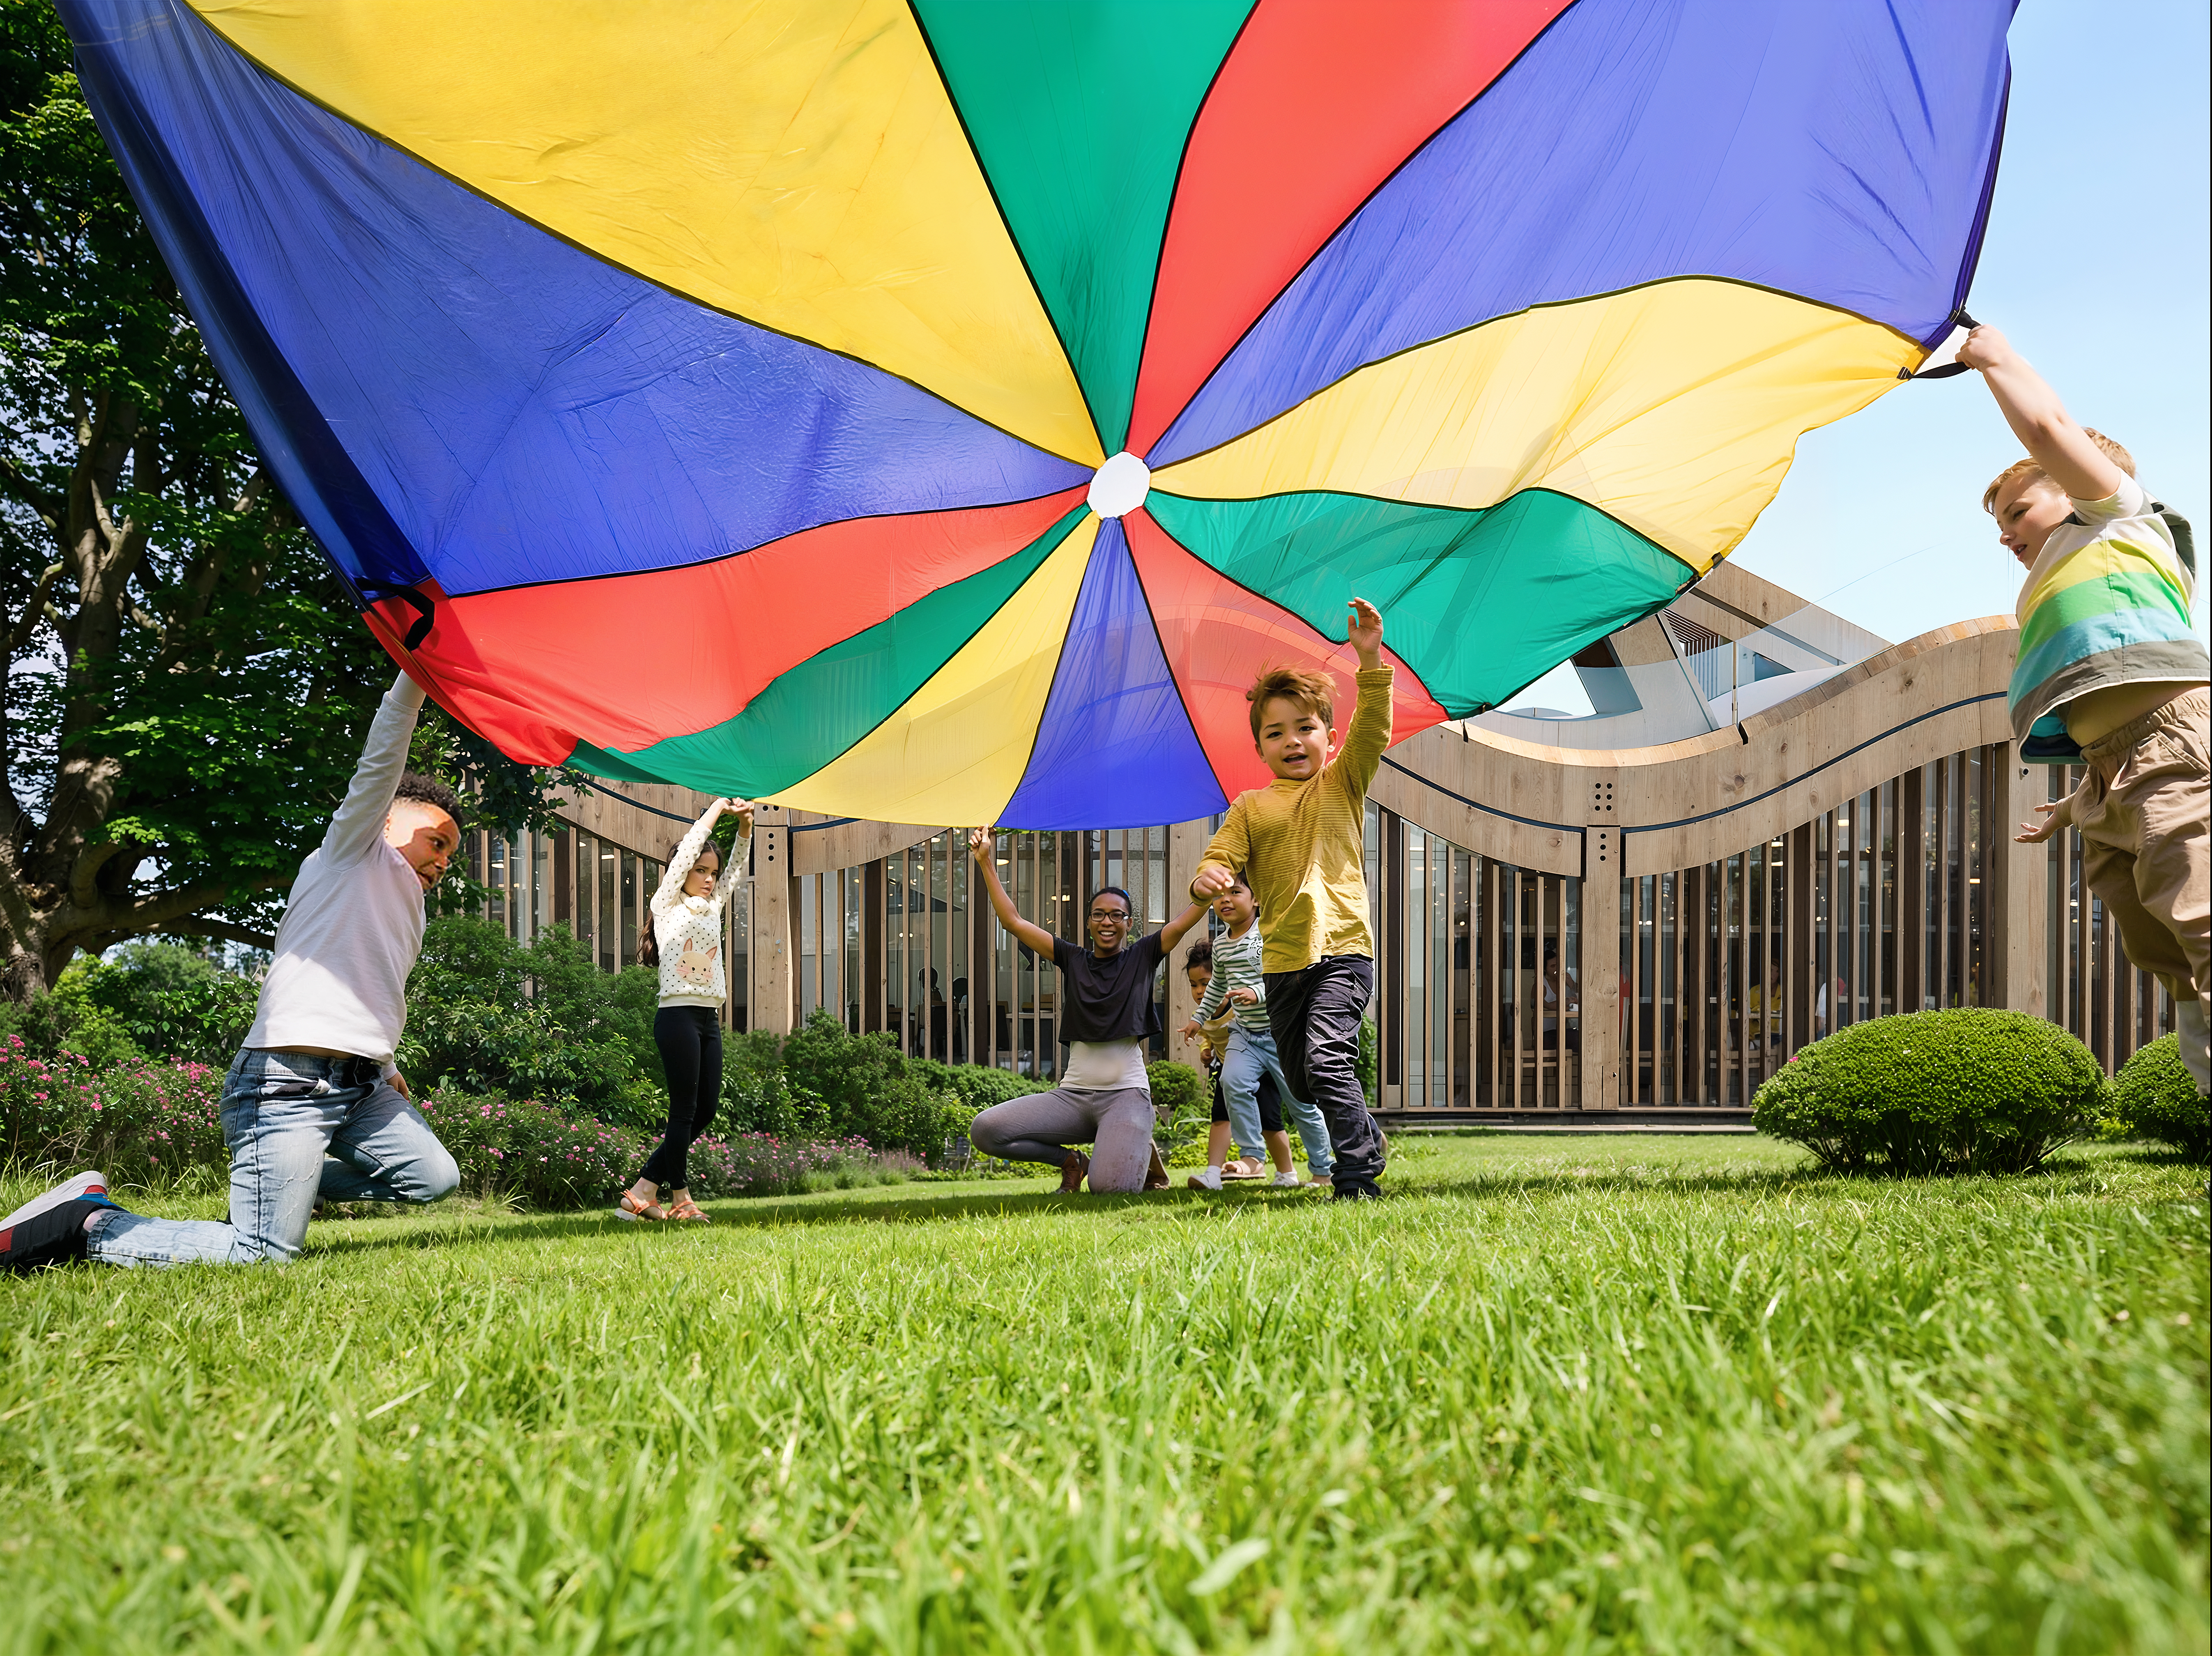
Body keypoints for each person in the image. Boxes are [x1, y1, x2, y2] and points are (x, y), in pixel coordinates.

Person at [4, 671, 464, 1271]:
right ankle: (90, 1221)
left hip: (360, 1085)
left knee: (434, 1177)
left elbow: (364, 985)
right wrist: (415, 677)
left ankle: (285, 1186)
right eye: (436, 842)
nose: (443, 860)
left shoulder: (402, 903)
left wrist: (385, 1061)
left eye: (451, 854)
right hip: (287, 1084)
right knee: (263, 1256)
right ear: (383, 822)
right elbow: (383, 755)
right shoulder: (353, 852)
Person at [1962, 326, 2209, 1098]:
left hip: (2171, 735)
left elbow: (2048, 428)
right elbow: (2102, 708)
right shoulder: (2053, 575)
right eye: (1996, 519)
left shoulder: (2119, 515)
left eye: (2016, 507)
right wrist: (2078, 803)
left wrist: (1994, 359)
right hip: (2112, 771)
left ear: (2078, 486)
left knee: (2200, 914)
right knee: (2157, 942)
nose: (2004, 530)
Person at [1191, 598, 1393, 1200]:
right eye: (1276, 733)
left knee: (1328, 1062)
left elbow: (1373, 726)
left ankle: (1356, 1177)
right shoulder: (1251, 806)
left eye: (1305, 728)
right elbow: (1222, 852)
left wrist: (1370, 660)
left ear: (1330, 739)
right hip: (1282, 962)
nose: (1293, 740)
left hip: (1343, 952)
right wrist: (1210, 873)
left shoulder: (1344, 781)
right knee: (1303, 1082)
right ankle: (1368, 1137)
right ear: (1260, 748)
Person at [966, 828, 1206, 1193]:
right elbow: (1012, 921)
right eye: (1099, 915)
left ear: (1129, 922)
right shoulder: (1072, 958)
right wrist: (986, 862)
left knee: (1109, 1191)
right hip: (1073, 1097)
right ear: (1089, 922)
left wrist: (1205, 896)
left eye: (1116, 915)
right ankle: (1072, 1162)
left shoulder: (1142, 956)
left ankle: (1135, 1143)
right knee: (986, 1130)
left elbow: (1182, 922)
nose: (1107, 922)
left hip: (1125, 1095)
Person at [617, 796, 753, 1223]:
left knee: (706, 1110)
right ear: (683, 871)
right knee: (684, 1113)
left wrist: (746, 829)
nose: (710, 879)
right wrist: (717, 810)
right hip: (676, 1017)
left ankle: (643, 1190)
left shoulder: (712, 907)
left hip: (707, 1019)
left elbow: (735, 871)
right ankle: (680, 1199)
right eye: (701, 870)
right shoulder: (667, 905)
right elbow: (693, 844)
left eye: (711, 873)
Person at [1180, 875, 1333, 1190]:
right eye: (1219, 895)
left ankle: (1323, 1171)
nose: (1225, 900)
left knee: (1301, 1106)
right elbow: (1217, 987)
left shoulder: (1269, 934)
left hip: (1281, 1036)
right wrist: (1198, 1019)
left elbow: (1288, 978)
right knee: (1231, 1081)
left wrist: (1257, 992)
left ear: (1256, 899)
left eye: (1235, 892)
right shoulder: (1221, 945)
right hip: (1246, 1034)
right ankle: (1252, 1157)